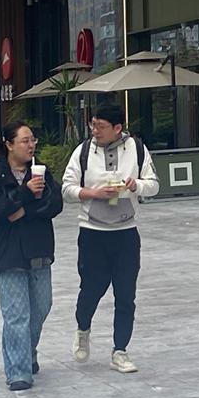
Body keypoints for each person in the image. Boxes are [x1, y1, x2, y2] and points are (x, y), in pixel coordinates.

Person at [61, 104, 159, 373]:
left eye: (100, 126)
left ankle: (120, 350)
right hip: (92, 232)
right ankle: (83, 329)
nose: (95, 131)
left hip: (126, 233)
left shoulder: (137, 149)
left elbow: (154, 185)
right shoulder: (83, 151)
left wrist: (136, 185)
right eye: (93, 125)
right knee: (90, 291)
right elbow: (66, 189)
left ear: (117, 128)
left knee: (126, 295)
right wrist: (93, 193)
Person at [0, 121, 63, 391]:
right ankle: (18, 371)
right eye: (25, 140)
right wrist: (25, 194)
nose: (31, 145)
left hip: (38, 249)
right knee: (16, 315)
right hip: (8, 253)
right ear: (9, 144)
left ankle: (27, 350)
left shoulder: (41, 171)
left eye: (32, 140)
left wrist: (24, 210)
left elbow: (54, 203)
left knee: (41, 307)